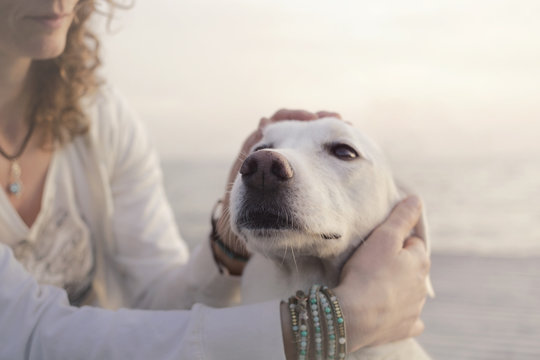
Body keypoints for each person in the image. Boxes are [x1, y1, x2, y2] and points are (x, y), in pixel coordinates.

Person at [0, 0, 431, 359]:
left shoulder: (101, 115)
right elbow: (25, 334)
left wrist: (228, 244)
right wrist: (336, 322)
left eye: (341, 151)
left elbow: (157, 303)